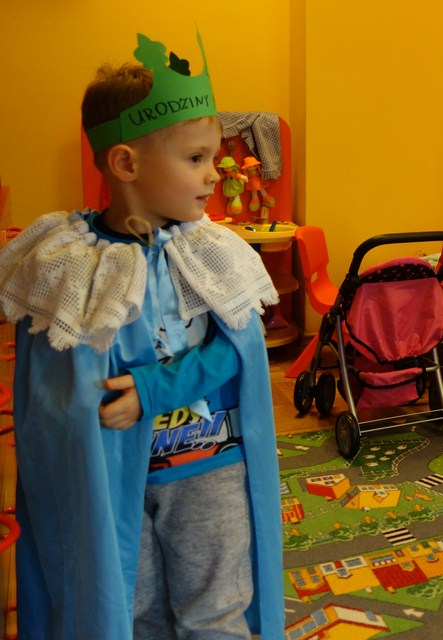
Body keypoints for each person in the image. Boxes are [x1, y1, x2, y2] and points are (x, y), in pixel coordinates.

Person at [0, 32, 285, 639]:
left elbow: (238, 351)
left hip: (207, 465)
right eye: (196, 158)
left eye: (213, 158)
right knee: (132, 611)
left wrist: (154, 390)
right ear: (126, 164)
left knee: (214, 611)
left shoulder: (210, 249)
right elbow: (50, 390)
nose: (214, 175)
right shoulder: (67, 261)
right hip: (111, 480)